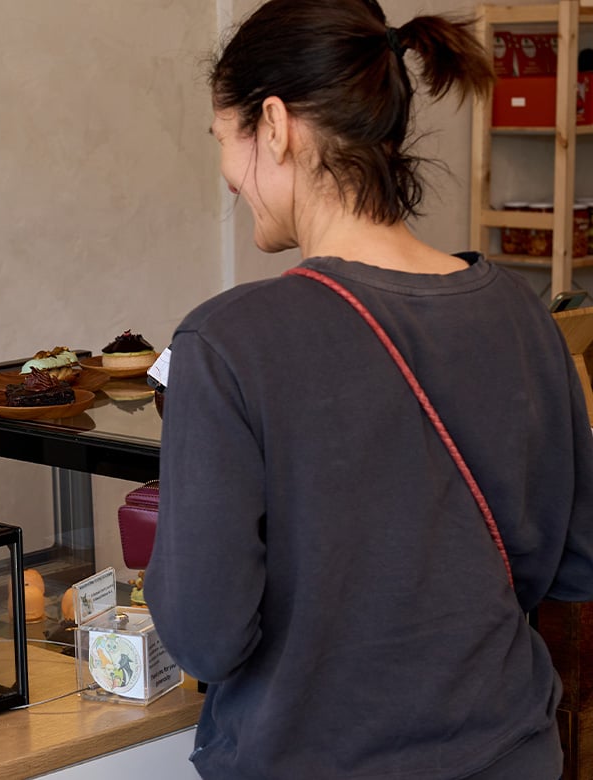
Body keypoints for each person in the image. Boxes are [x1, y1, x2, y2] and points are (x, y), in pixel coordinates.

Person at [146, 1, 593, 778]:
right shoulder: (521, 310)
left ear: (276, 125)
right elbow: (577, 561)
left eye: (224, 139)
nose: (226, 175)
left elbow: (205, 634)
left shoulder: (227, 342)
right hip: (512, 751)